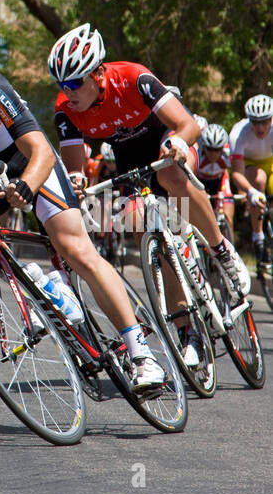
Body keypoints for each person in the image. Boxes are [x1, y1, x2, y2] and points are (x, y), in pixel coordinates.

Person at [0, 9, 167, 394]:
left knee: (76, 250)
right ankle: (36, 282)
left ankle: (142, 356)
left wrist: (25, 187)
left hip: (28, 160)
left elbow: (40, 150)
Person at [48, 24, 251, 369]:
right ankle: (187, 330)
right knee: (142, 228)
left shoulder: (133, 78)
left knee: (170, 175)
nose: (67, 92)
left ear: (98, 73)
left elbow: (188, 125)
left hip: (166, 139)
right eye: (61, 84)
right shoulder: (66, 109)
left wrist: (179, 143)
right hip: (128, 157)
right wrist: (77, 182)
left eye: (74, 83)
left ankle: (221, 250)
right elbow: (75, 167)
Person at [228, 95, 273, 276]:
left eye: (265, 122)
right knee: (259, 180)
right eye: (255, 122)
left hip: (271, 161)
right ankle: (258, 237)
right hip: (250, 164)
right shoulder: (238, 133)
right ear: (249, 120)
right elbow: (236, 173)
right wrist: (251, 192)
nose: (260, 128)